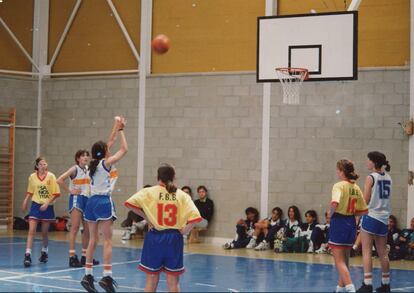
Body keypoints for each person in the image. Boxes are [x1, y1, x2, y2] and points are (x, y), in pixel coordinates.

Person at [124, 163, 202, 292]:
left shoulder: (149, 192)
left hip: (155, 237)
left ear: (158, 177)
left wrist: (147, 218)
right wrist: (185, 230)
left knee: (151, 281)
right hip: (174, 238)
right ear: (173, 177)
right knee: (173, 283)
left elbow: (129, 203)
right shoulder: (182, 195)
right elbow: (196, 217)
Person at [80, 116, 128, 293]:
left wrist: (115, 126)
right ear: (104, 153)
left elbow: (108, 144)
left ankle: (88, 274)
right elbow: (124, 149)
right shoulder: (106, 164)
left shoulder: (91, 165)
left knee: (93, 239)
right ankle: (107, 277)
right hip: (103, 201)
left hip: (90, 203)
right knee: (108, 240)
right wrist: (122, 130)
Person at [329, 159, 368, 293]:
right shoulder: (356, 188)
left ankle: (351, 289)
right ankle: (339, 289)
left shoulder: (339, 186)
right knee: (345, 261)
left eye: (338, 169)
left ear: (342, 172)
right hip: (351, 223)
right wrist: (354, 218)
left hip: (339, 222)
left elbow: (335, 203)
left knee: (339, 261)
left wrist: (330, 215)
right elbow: (364, 210)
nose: (336, 172)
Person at [357, 152, 392, 293]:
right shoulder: (389, 177)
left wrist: (357, 214)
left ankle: (367, 284)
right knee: (383, 253)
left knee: (366, 252)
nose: (367, 162)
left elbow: (365, 200)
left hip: (371, 216)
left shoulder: (370, 178)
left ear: (374, 162)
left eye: (369, 160)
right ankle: (386, 284)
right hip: (384, 218)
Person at [57, 149, 100, 267]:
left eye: (87, 155)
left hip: (87, 199)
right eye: (83, 156)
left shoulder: (88, 169)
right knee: (75, 227)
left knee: (87, 230)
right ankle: (72, 256)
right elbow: (59, 180)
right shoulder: (74, 169)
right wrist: (70, 190)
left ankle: (84, 256)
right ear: (78, 158)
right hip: (77, 199)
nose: (86, 157)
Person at [22, 157, 61, 267]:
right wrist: (25, 201)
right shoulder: (32, 177)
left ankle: (44, 251)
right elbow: (30, 191)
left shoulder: (51, 176)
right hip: (35, 205)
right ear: (37, 166)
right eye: (41, 164)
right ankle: (27, 255)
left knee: (44, 232)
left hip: (47, 207)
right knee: (31, 230)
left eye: (45, 164)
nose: (43, 166)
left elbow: (56, 193)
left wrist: (47, 203)